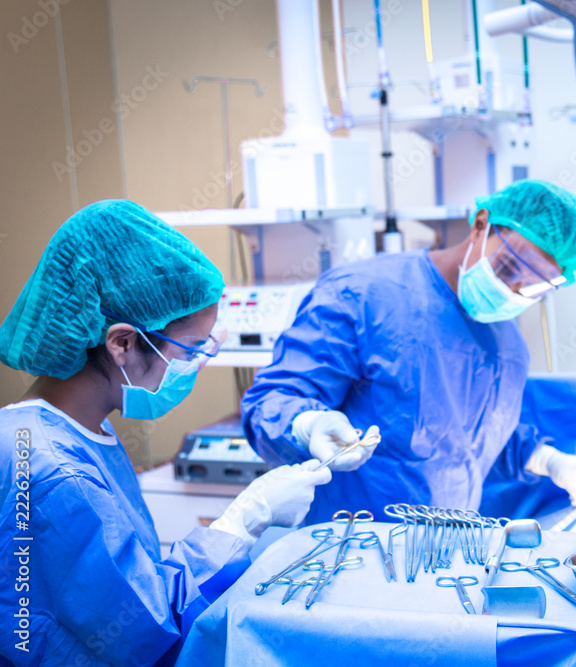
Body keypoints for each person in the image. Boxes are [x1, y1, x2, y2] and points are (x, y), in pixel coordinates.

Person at [0, 201, 331, 666]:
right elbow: (143, 624)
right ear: (122, 343)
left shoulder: (61, 432)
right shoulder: (54, 471)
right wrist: (245, 519)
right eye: (192, 347)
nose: (195, 365)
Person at [242, 179, 576, 523]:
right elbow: (271, 401)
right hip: (351, 545)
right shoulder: (364, 295)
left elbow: (473, 437)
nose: (513, 288)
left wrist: (548, 459)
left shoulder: (508, 345)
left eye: (535, 287)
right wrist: (309, 424)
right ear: (481, 224)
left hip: (446, 554)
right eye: (509, 265)